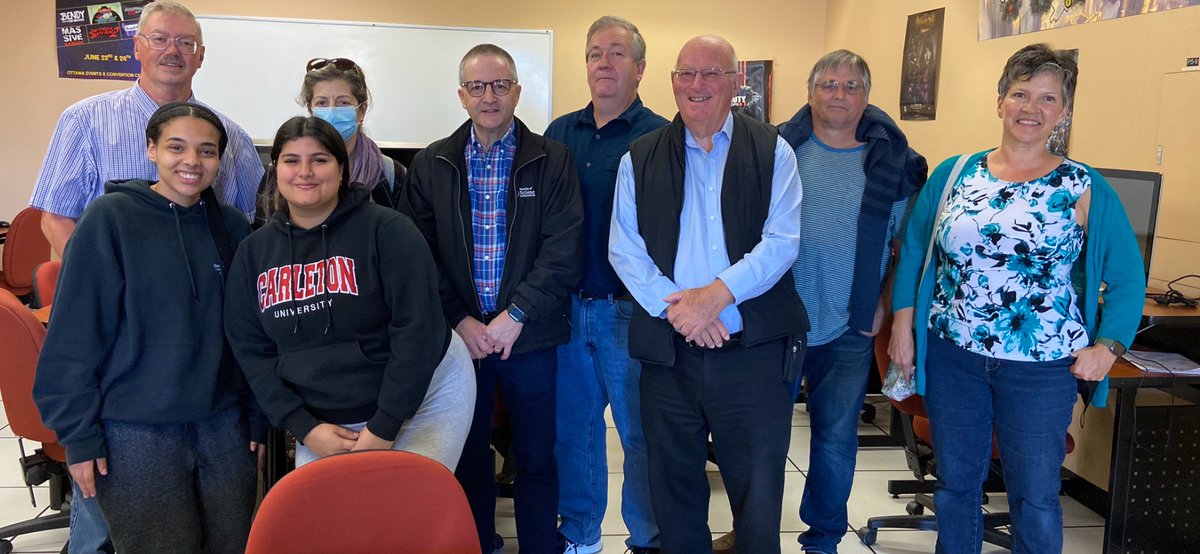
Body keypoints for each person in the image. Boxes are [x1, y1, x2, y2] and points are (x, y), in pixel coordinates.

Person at [889, 43, 1145, 553]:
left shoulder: (1083, 186)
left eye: (1048, 98)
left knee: (1035, 496)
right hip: (953, 353)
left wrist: (1109, 345)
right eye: (1021, 93)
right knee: (955, 485)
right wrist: (902, 324)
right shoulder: (954, 173)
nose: (1031, 108)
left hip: (1041, 367)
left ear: (1065, 111)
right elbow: (916, 249)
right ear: (1000, 100)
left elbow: (1127, 277)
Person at [608, 35, 808, 554]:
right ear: (672, 81)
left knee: (758, 490)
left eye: (712, 73)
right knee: (673, 486)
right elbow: (624, 249)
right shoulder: (640, 157)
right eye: (687, 74)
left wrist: (717, 296)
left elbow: (782, 243)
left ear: (736, 82)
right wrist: (683, 311)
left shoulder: (773, 151)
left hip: (753, 355)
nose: (698, 85)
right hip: (669, 354)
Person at [33, 102, 261, 554]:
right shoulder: (110, 219)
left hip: (222, 425)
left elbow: (248, 334)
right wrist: (79, 436)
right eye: (177, 147)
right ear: (151, 149)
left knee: (231, 544)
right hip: (136, 431)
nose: (192, 162)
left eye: (207, 151)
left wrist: (256, 415)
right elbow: (75, 337)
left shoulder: (232, 228)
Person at [401, 43, 583, 554]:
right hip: (460, 342)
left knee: (536, 455)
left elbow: (563, 249)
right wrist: (459, 320)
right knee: (468, 454)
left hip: (530, 336)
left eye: (500, 85)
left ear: (517, 92)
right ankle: (478, 543)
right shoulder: (431, 163)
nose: (489, 96)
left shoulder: (552, 160)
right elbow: (419, 256)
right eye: (477, 86)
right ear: (461, 95)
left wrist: (515, 316)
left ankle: (541, 546)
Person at [223, 116, 475, 472]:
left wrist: (385, 424)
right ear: (275, 169)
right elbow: (251, 351)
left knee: (407, 508)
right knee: (336, 520)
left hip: (424, 395)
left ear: (341, 169)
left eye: (320, 160)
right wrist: (303, 426)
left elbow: (417, 331)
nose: (305, 171)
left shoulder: (388, 231)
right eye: (292, 160)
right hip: (327, 422)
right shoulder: (253, 253)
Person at [774, 49, 927, 554]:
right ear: (810, 92)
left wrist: (882, 308)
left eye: (852, 86)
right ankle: (754, 529)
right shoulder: (777, 150)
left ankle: (823, 538)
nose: (840, 95)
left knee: (834, 440)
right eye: (829, 85)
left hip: (849, 325)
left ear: (866, 96)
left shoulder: (894, 162)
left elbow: (905, 248)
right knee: (762, 439)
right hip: (778, 321)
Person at [543, 15, 668, 554]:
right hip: (569, 310)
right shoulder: (558, 134)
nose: (604, 62)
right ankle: (580, 536)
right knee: (575, 434)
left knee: (641, 436)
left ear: (640, 68)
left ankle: (645, 537)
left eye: (617, 53)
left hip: (631, 312)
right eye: (595, 52)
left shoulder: (663, 136)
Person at [29, 0, 261, 259]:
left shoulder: (235, 137)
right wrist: (102, 282)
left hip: (206, 292)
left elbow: (252, 226)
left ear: (201, 56)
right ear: (137, 47)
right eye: (159, 39)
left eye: (186, 43)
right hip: (117, 292)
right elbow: (56, 218)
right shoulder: (83, 121)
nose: (172, 50)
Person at [255, 57, 406, 226]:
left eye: (343, 102)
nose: (332, 111)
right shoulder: (283, 172)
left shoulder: (391, 174)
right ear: (311, 109)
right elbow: (265, 239)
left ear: (362, 110)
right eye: (322, 103)